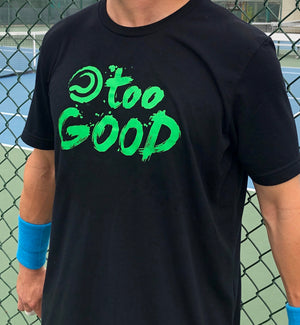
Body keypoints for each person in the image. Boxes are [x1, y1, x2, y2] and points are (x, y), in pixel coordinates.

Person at [16, 0, 300, 324]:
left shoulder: (242, 53)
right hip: (71, 309)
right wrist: (29, 265)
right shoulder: (62, 41)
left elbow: (283, 206)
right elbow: (45, 166)